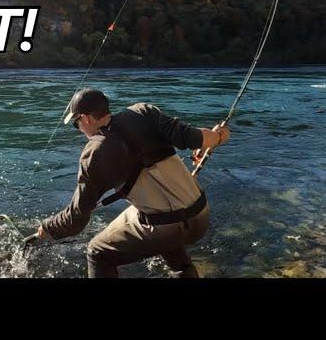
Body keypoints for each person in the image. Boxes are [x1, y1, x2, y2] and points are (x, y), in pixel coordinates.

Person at [37, 88, 229, 278]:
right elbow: (198, 138)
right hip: (201, 214)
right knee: (145, 217)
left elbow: (76, 219)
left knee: (97, 252)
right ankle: (182, 270)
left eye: (76, 123)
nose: (79, 129)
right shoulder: (143, 112)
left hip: (168, 226)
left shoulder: (94, 152)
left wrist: (48, 227)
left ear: (86, 118)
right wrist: (218, 136)